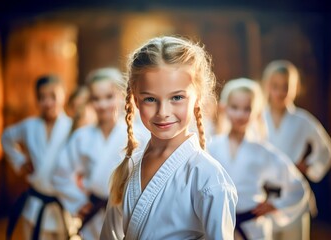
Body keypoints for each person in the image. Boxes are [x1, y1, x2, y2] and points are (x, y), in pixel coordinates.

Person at [100, 36, 238, 240]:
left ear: (197, 97)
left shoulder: (208, 176)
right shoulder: (129, 166)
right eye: (150, 99)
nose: (163, 112)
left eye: (177, 97)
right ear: (135, 100)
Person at [208, 78, 309, 240]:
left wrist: (275, 205)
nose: (240, 114)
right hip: (220, 225)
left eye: (247, 109)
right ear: (224, 108)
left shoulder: (262, 151)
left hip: (254, 227)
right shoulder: (211, 147)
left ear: (257, 112)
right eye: (235, 107)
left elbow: (298, 187)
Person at [261, 60, 331, 240]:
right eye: (275, 86)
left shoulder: (303, 120)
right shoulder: (257, 118)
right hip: (263, 195)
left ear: (294, 88)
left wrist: (310, 167)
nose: (280, 92)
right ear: (267, 87)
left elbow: (326, 149)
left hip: (294, 194)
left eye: (286, 86)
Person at [53, 68, 129, 239]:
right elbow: (60, 174)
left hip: (126, 214)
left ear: (121, 96)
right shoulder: (82, 137)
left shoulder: (137, 136)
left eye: (109, 97)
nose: (102, 105)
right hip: (93, 214)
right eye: (96, 99)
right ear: (89, 101)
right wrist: (79, 202)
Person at [2, 75, 72, 240]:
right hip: (35, 206)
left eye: (53, 96)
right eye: (42, 98)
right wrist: (20, 162)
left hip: (64, 206)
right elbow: (6, 137)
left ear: (63, 95)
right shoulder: (29, 126)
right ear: (37, 100)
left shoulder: (72, 127)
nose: (48, 103)